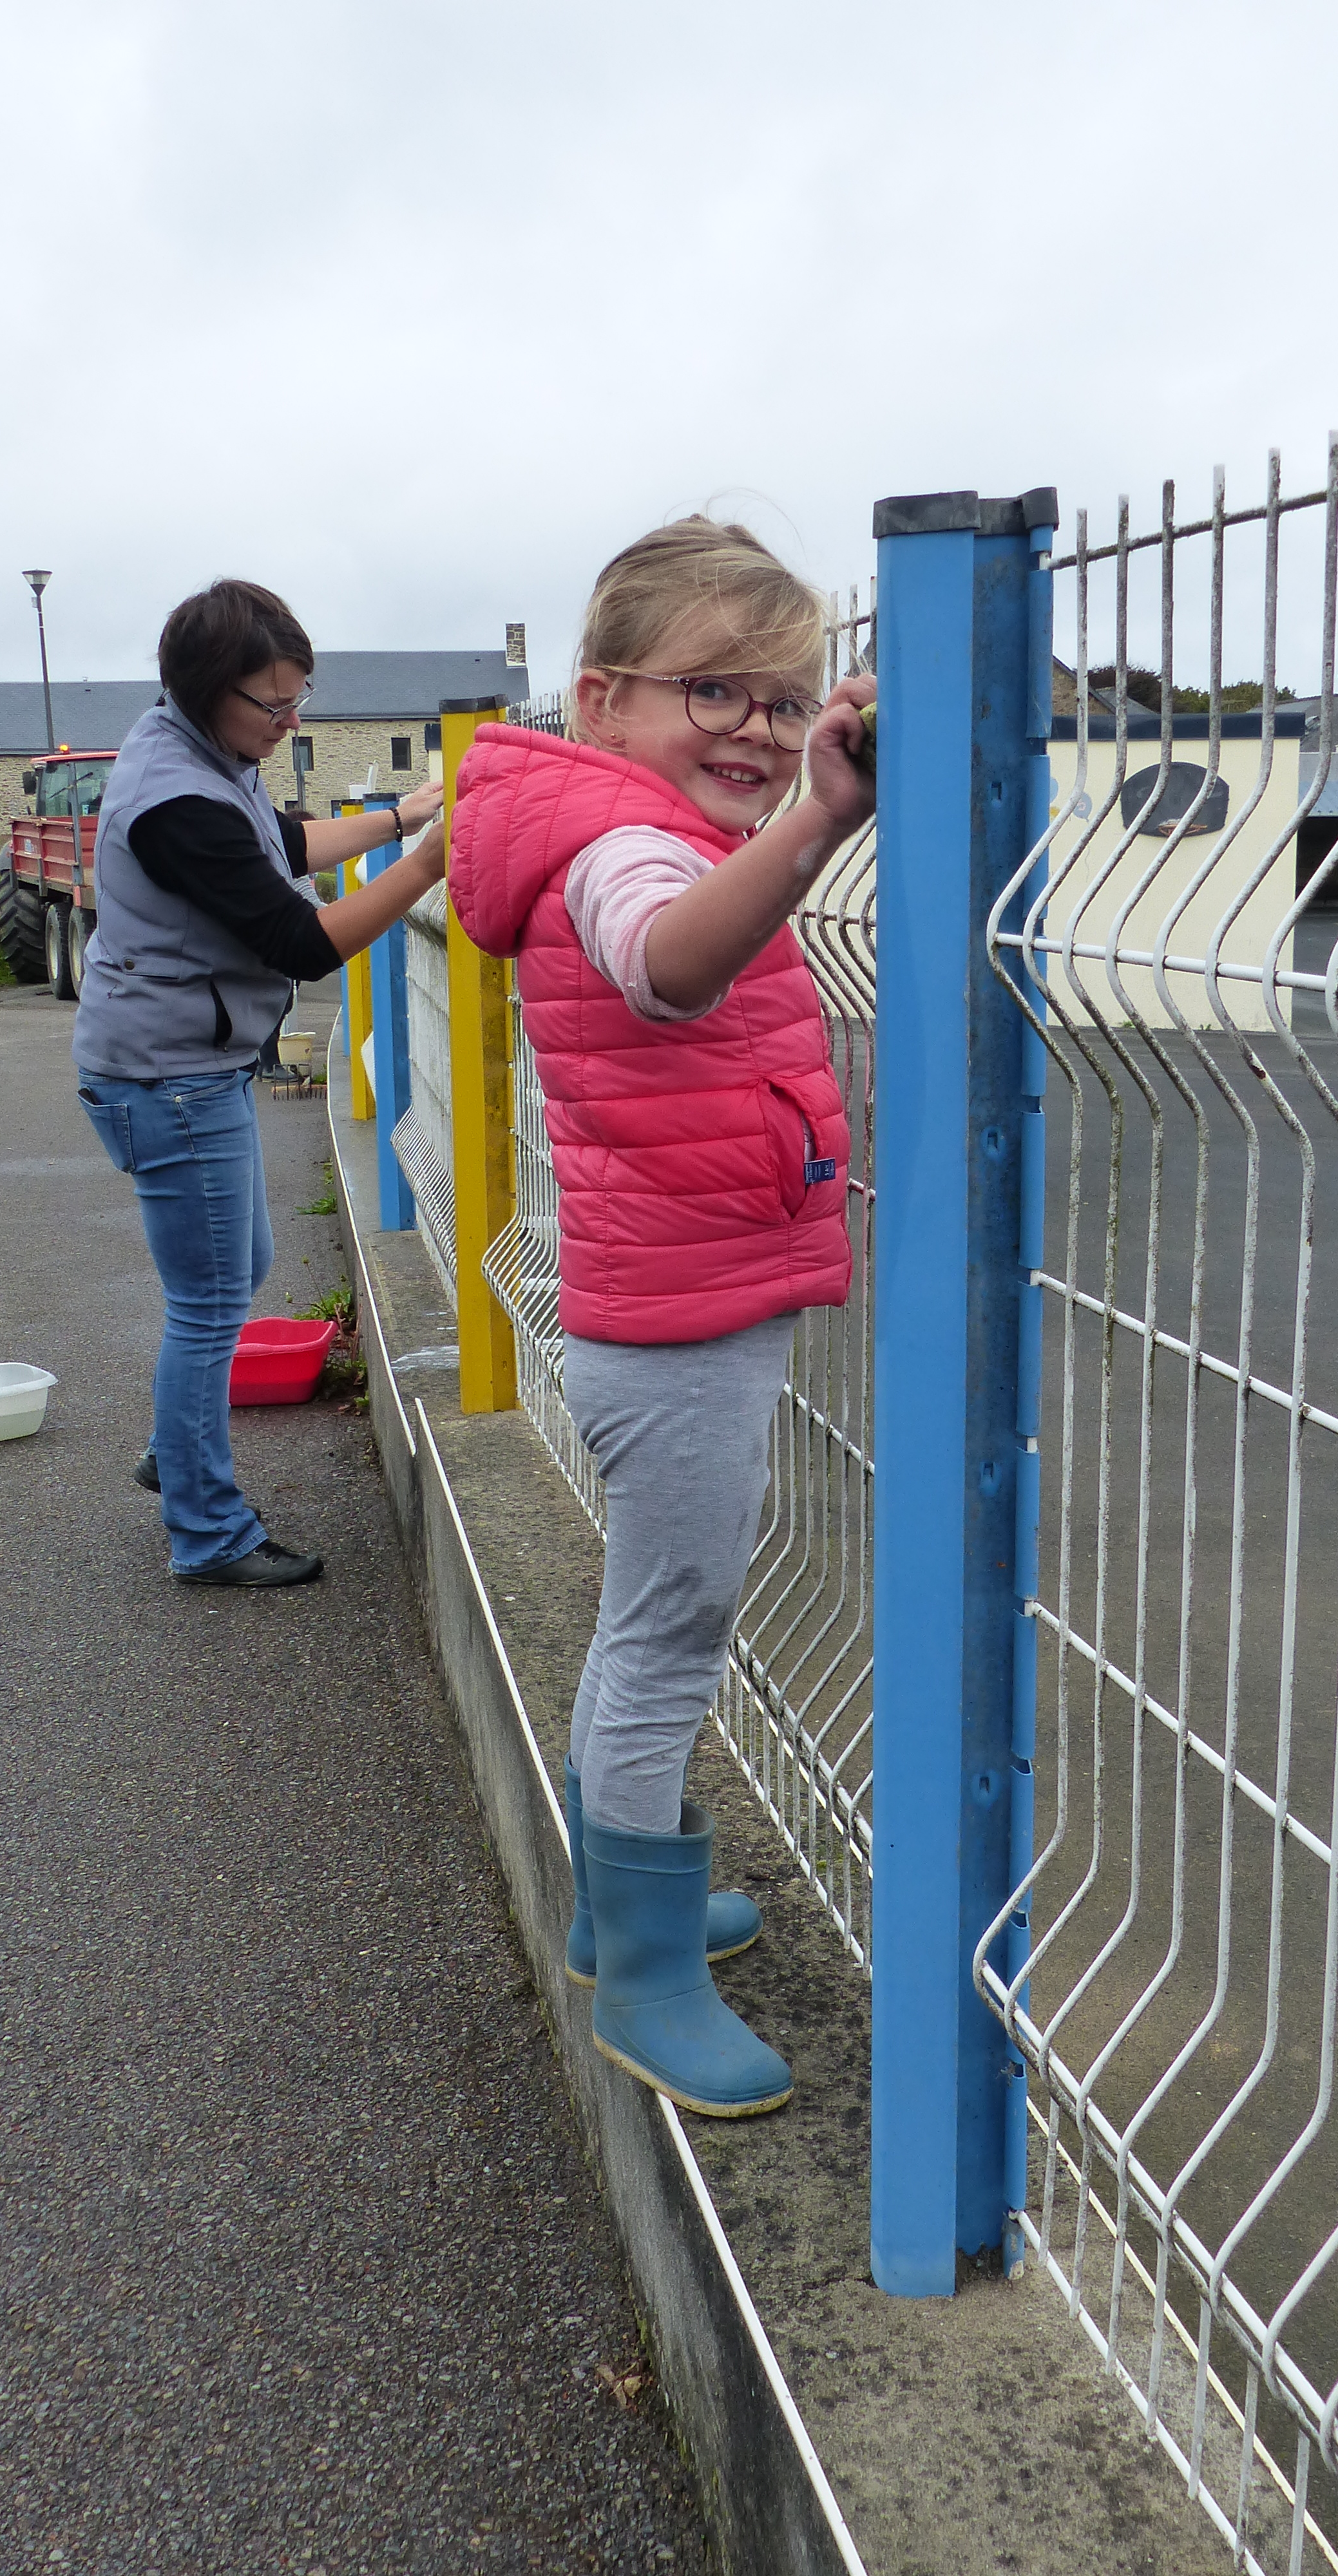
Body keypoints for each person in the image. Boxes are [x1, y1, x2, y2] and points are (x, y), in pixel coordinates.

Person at [448, 518, 875, 2116]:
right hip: (676, 1321)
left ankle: (621, 1898)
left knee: (657, 1610)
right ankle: (638, 1970)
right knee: (669, 1628)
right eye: (716, 690)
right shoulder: (624, 847)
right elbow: (670, 972)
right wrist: (823, 822)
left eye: (785, 699)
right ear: (603, 693)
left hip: (688, 1295)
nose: (756, 731)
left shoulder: (622, 813)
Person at [73, 578, 445, 1589]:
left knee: (239, 1267)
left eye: (300, 701)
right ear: (204, 692)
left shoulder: (207, 755)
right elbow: (301, 940)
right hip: (170, 1076)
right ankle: (207, 1531)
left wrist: (399, 818)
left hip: (188, 1064)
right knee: (208, 1301)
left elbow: (281, 843)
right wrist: (431, 862)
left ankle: (177, 1441)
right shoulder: (177, 800)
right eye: (270, 706)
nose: (288, 723)